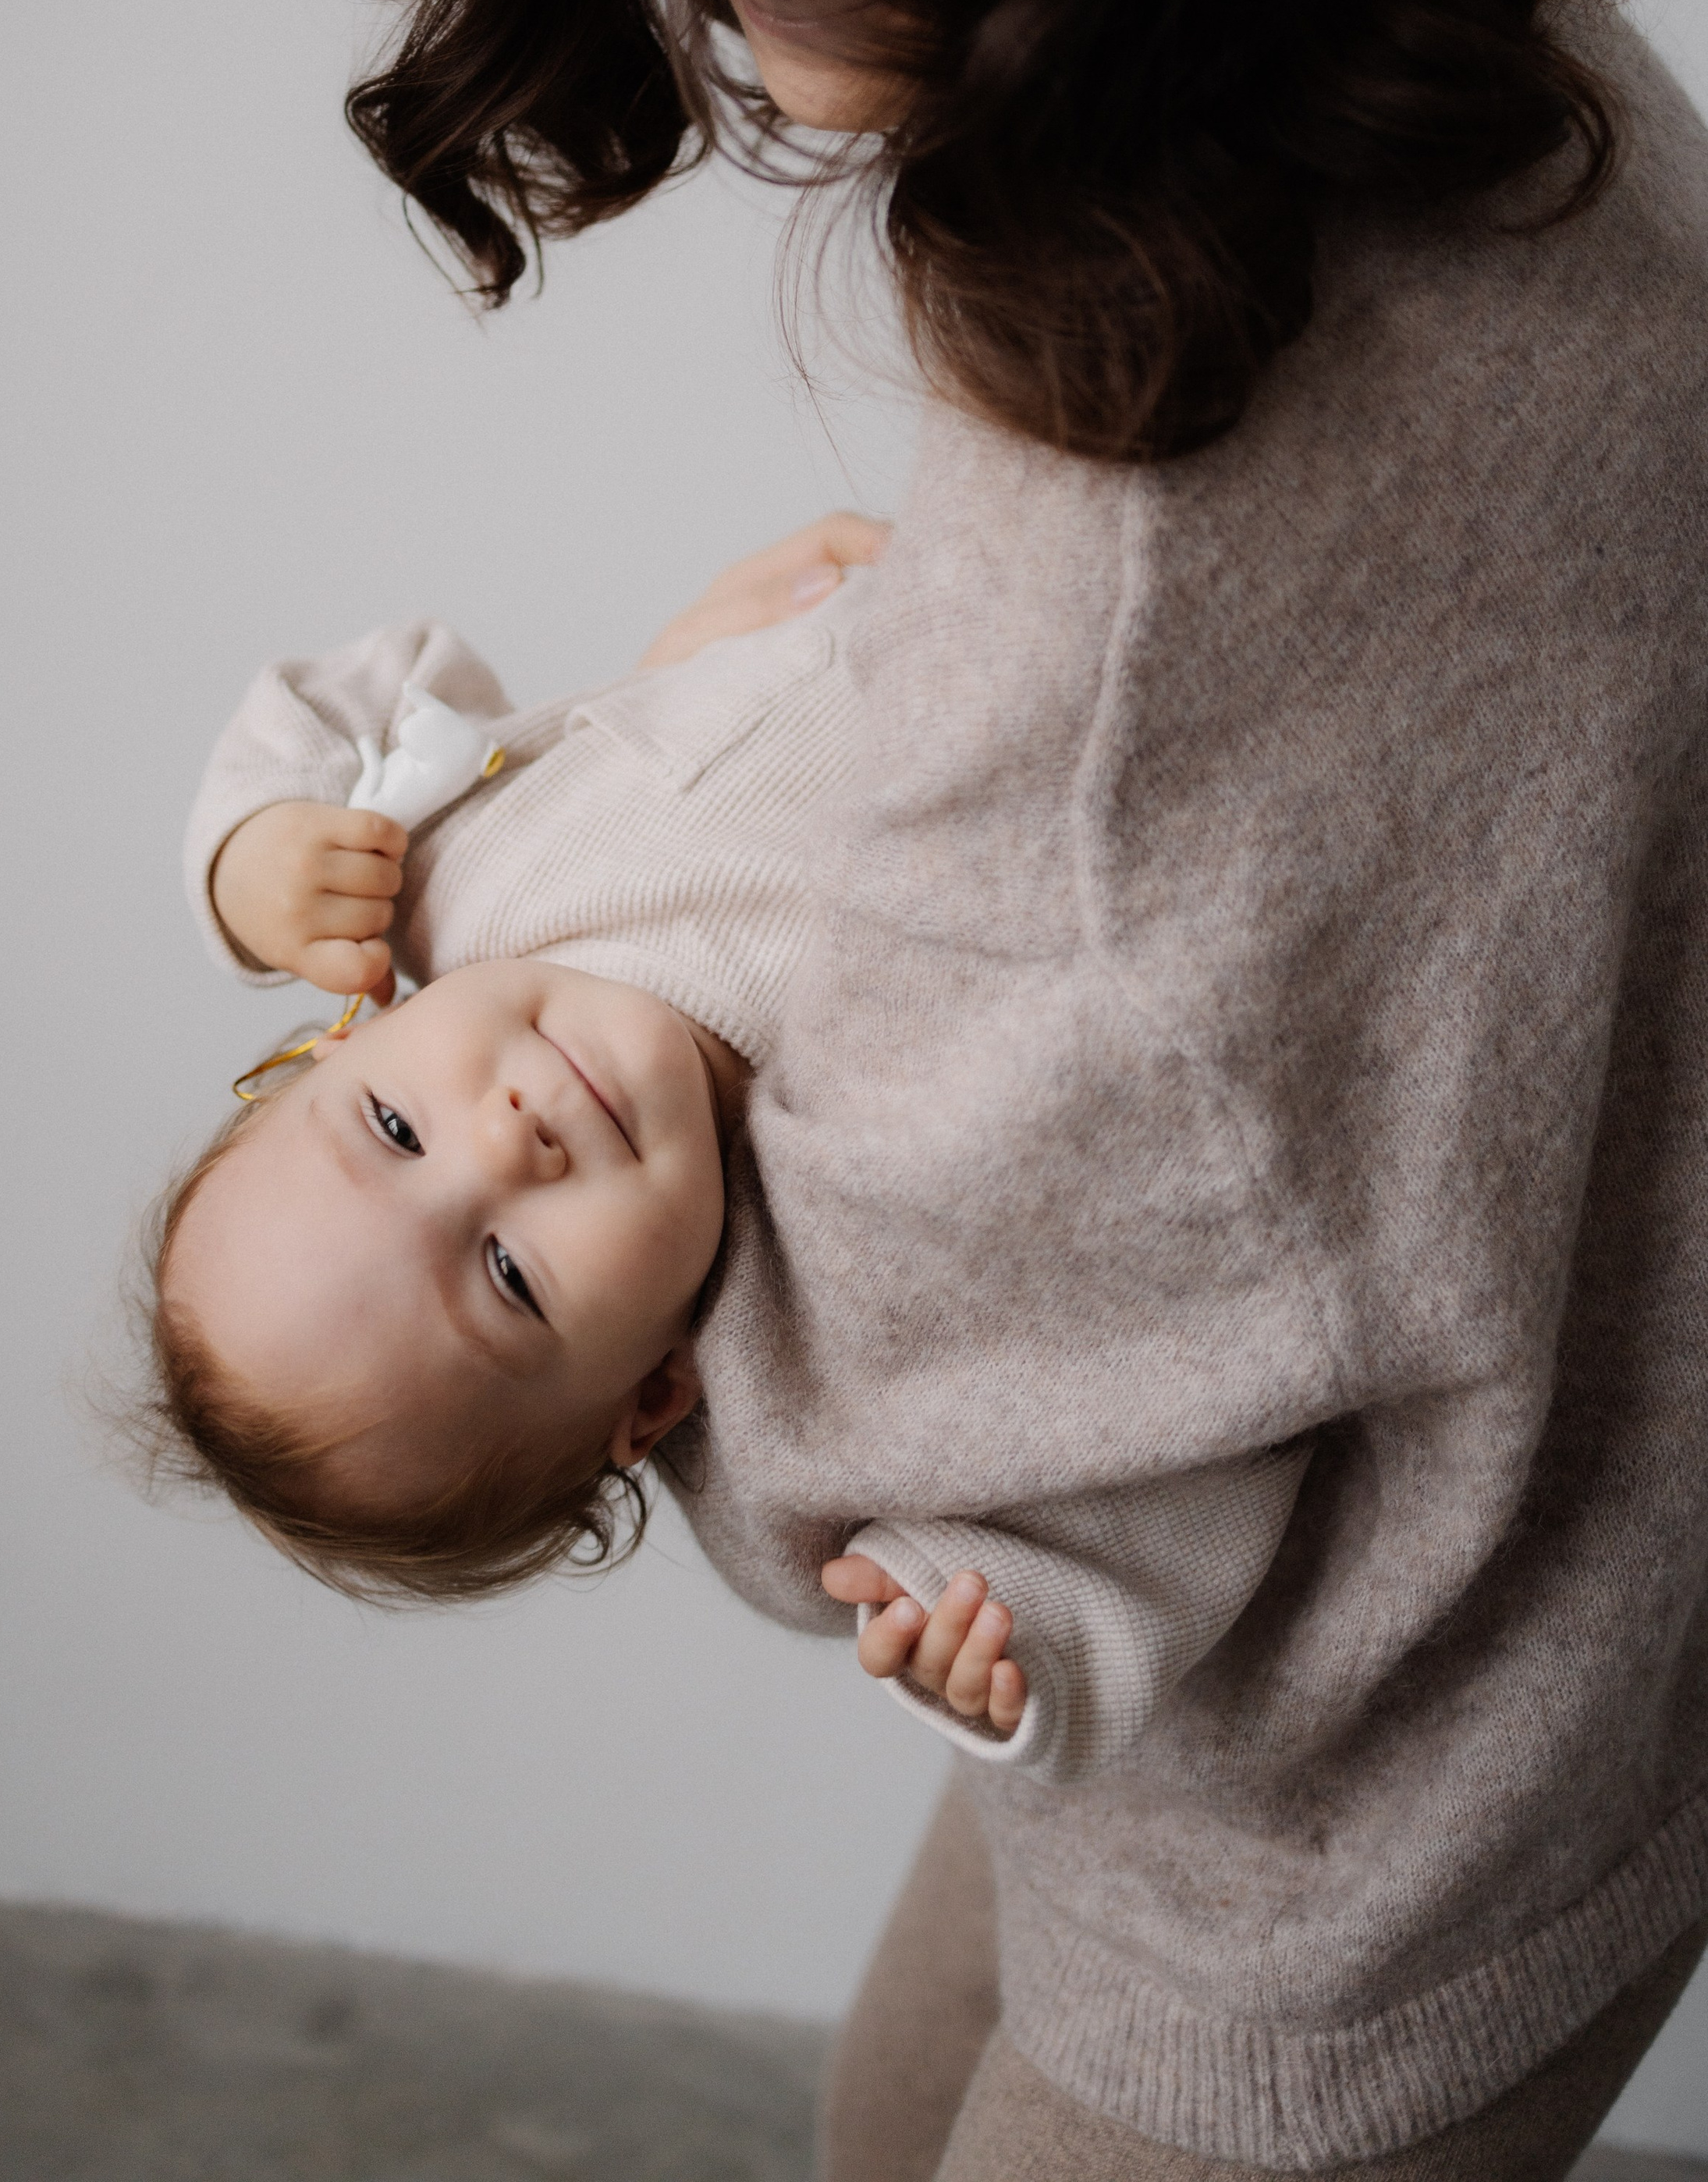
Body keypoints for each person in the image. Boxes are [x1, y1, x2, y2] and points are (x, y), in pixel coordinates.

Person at [267, 0, 1708, 2172]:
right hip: (1485, 1564)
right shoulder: (1508, 55)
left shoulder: (1122, 541)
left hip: (1398, 1767)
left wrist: (553, 864)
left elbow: (992, 1318)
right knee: (881, 2114)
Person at [148, 521, 1303, 1781]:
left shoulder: (455, 877)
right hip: (1270, 835)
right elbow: (1162, 1427)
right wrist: (993, 1625)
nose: (507, 1141)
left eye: (394, 1126)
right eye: (510, 1276)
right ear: (653, 1396)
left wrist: (253, 858)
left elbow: (345, 708)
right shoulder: (810, 1387)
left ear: (348, 1033)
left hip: (1056, 563)